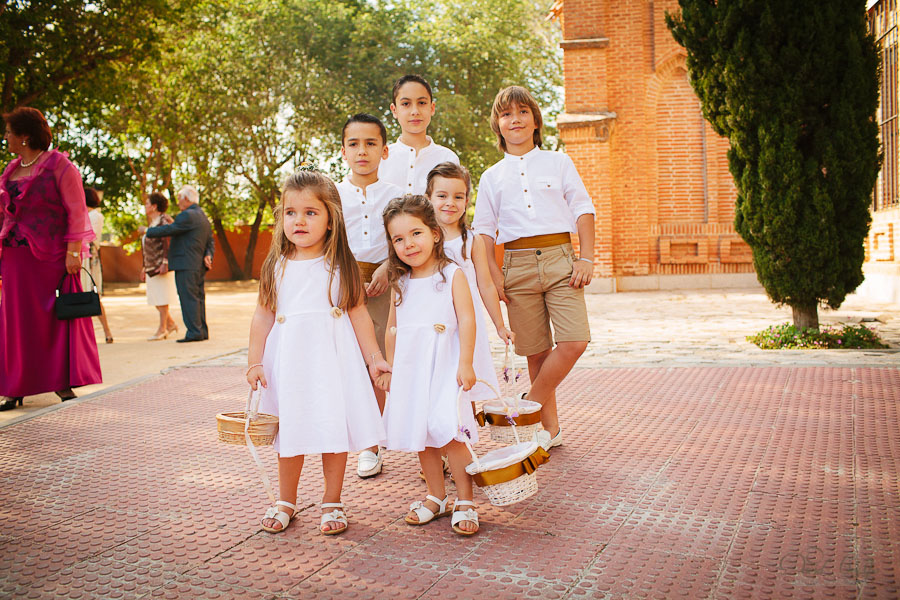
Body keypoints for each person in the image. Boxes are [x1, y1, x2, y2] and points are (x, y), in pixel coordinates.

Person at [246, 170, 389, 535]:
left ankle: (332, 500)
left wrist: (375, 360)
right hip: (288, 365)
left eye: (311, 212)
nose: (299, 220)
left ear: (330, 220)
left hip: (333, 363)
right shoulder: (275, 266)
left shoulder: (341, 267)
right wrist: (255, 361)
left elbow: (359, 315)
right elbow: (262, 316)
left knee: (333, 428)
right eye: (290, 212)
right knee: (288, 430)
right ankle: (286, 500)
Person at [472, 85, 596, 452]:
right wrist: (495, 278)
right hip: (516, 265)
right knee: (536, 352)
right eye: (507, 114)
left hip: (562, 260)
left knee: (575, 341)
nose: (515, 119)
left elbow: (583, 208)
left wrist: (585, 257)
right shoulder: (491, 176)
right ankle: (550, 430)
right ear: (498, 124)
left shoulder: (558, 162)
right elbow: (482, 232)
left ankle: (528, 405)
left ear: (535, 120)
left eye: (523, 111)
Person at [377, 194, 480, 536]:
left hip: (444, 364)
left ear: (435, 233)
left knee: (448, 429)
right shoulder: (400, 282)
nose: (408, 244)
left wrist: (465, 362)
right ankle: (436, 495)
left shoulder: (452, 274)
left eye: (416, 233)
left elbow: (467, 319)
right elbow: (393, 328)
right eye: (399, 238)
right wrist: (390, 367)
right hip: (410, 367)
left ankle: (465, 499)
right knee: (421, 432)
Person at [0, 107, 102, 410]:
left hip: (52, 258)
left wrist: (74, 252)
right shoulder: (10, 169)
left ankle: (61, 383)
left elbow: (76, 211)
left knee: (54, 321)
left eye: (8, 132)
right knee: (16, 322)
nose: (5, 137)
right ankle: (15, 387)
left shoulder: (61, 166)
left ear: (24, 136)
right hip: (16, 258)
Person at [336, 113, 403, 479]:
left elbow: (404, 237)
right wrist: (347, 276)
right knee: (351, 366)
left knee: (378, 363)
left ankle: (373, 444)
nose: (362, 151)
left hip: (383, 284)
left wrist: (385, 268)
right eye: (354, 144)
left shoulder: (396, 195)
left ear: (384, 149)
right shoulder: (332, 194)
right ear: (343, 150)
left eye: (371, 143)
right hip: (343, 286)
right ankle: (359, 440)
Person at [425, 162, 514, 403]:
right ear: (428, 197)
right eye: (442, 196)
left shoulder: (472, 240)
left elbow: (485, 284)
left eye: (458, 196)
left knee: (465, 376)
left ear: (467, 200)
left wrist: (499, 324)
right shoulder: (423, 238)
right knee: (437, 374)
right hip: (435, 317)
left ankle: (466, 434)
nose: (450, 203)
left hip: (467, 321)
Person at [140, 185, 214, 343]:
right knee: (198, 298)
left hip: (186, 263)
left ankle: (194, 332)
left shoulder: (187, 215)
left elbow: (170, 230)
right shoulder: (202, 215)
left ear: (186, 199)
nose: (178, 202)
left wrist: (147, 231)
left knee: (188, 298)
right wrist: (209, 254)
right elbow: (210, 240)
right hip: (198, 264)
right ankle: (201, 331)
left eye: (180, 198)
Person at [378, 75, 459, 195]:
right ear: (394, 110)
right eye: (406, 104)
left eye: (421, 103)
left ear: (432, 108)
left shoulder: (447, 158)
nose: (415, 111)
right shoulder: (380, 158)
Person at [141, 192, 179, 341]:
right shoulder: (153, 222)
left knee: (162, 298)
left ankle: (162, 329)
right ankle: (170, 324)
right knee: (156, 298)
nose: (145, 206)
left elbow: (167, 242)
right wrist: (144, 266)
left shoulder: (164, 221)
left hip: (160, 265)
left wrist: (165, 262)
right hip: (151, 265)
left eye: (147, 203)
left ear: (154, 206)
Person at [83, 186, 113, 344]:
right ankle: (88, 335)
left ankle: (107, 331)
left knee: (93, 297)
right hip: (84, 259)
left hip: (90, 260)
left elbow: (91, 237)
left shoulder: (95, 215)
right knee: (84, 297)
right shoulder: (85, 215)